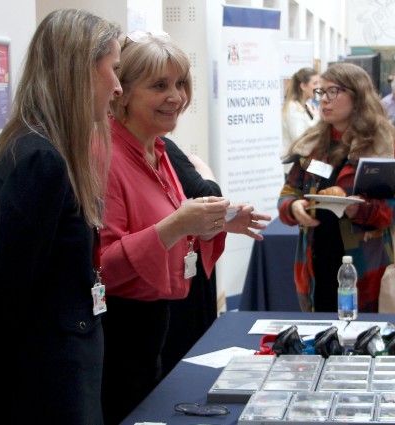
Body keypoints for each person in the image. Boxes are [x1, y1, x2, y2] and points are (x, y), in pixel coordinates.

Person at [0, 9, 122, 425]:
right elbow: (10, 287)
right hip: (47, 380)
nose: (118, 87)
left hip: (59, 366)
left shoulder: (49, 151)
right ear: (80, 70)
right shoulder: (41, 160)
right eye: (113, 70)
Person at [100, 32, 269, 424]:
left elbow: (170, 231)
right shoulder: (104, 154)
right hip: (120, 336)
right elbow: (104, 265)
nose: (176, 96)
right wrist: (179, 222)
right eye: (159, 86)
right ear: (122, 93)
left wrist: (218, 223)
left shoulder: (157, 149)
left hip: (154, 330)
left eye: (180, 84)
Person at [278, 62, 395, 313]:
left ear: (358, 96)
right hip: (317, 265)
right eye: (321, 92)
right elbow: (289, 191)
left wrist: (360, 210)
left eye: (333, 91)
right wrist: (294, 207)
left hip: (368, 267)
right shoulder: (312, 145)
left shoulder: (382, 144)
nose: (324, 100)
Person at [160, 138, 223, 377]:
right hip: (164, 292)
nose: (176, 99)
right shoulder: (161, 147)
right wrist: (203, 168)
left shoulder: (157, 148)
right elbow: (211, 197)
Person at [281, 67, 321, 174]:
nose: (318, 87)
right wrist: (317, 119)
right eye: (315, 83)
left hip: (306, 167)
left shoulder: (305, 106)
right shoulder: (292, 108)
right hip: (296, 170)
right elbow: (300, 140)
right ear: (303, 86)